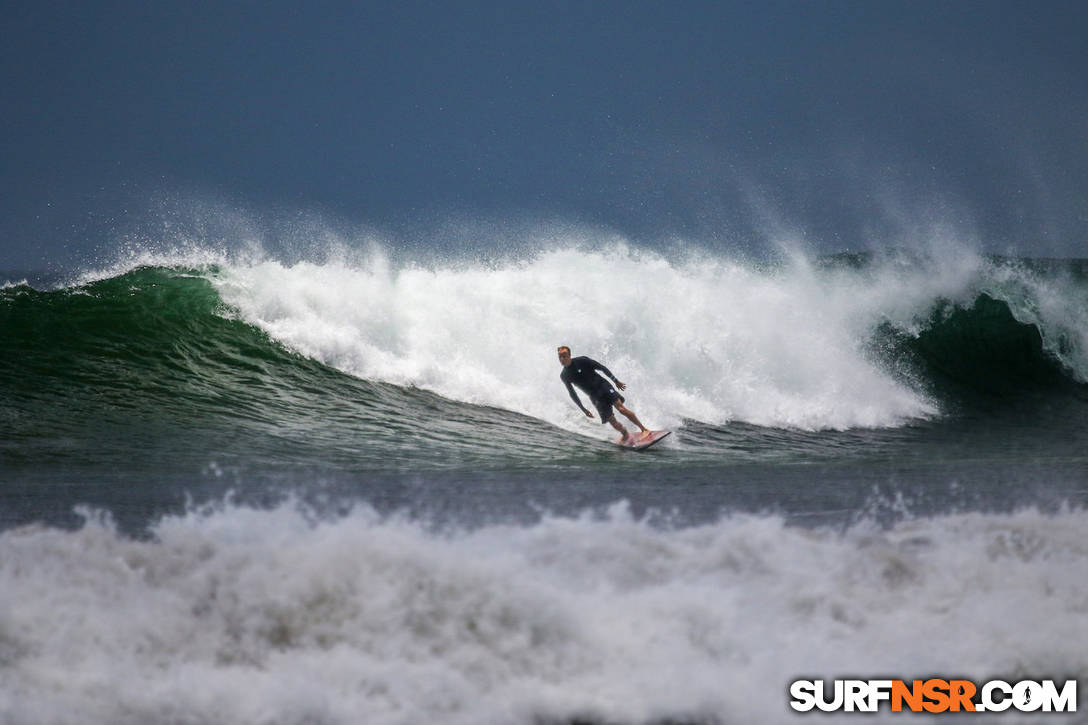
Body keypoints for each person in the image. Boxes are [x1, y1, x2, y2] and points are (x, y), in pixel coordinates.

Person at [557, 345, 650, 443]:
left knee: (621, 409)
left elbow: (602, 368)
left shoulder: (582, 361)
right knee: (612, 421)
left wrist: (615, 381)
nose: (562, 359)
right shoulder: (564, 375)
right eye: (560, 356)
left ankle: (644, 429)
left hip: (603, 386)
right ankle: (625, 434)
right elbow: (572, 394)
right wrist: (583, 409)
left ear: (569, 355)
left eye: (565, 356)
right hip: (595, 396)